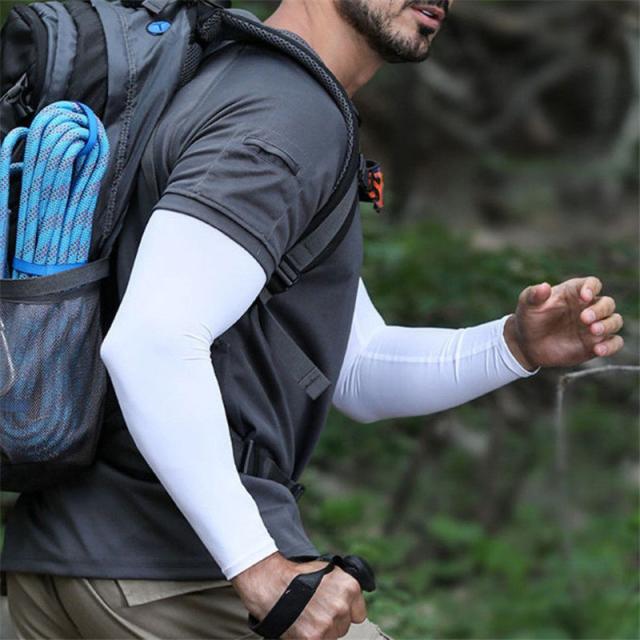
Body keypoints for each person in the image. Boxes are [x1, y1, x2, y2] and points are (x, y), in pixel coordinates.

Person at [3, 1, 625, 639]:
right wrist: (261, 568)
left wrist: (513, 345)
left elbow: (355, 367)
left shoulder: (236, 82)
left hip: (58, 566)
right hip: (171, 577)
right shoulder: (286, 112)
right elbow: (151, 342)